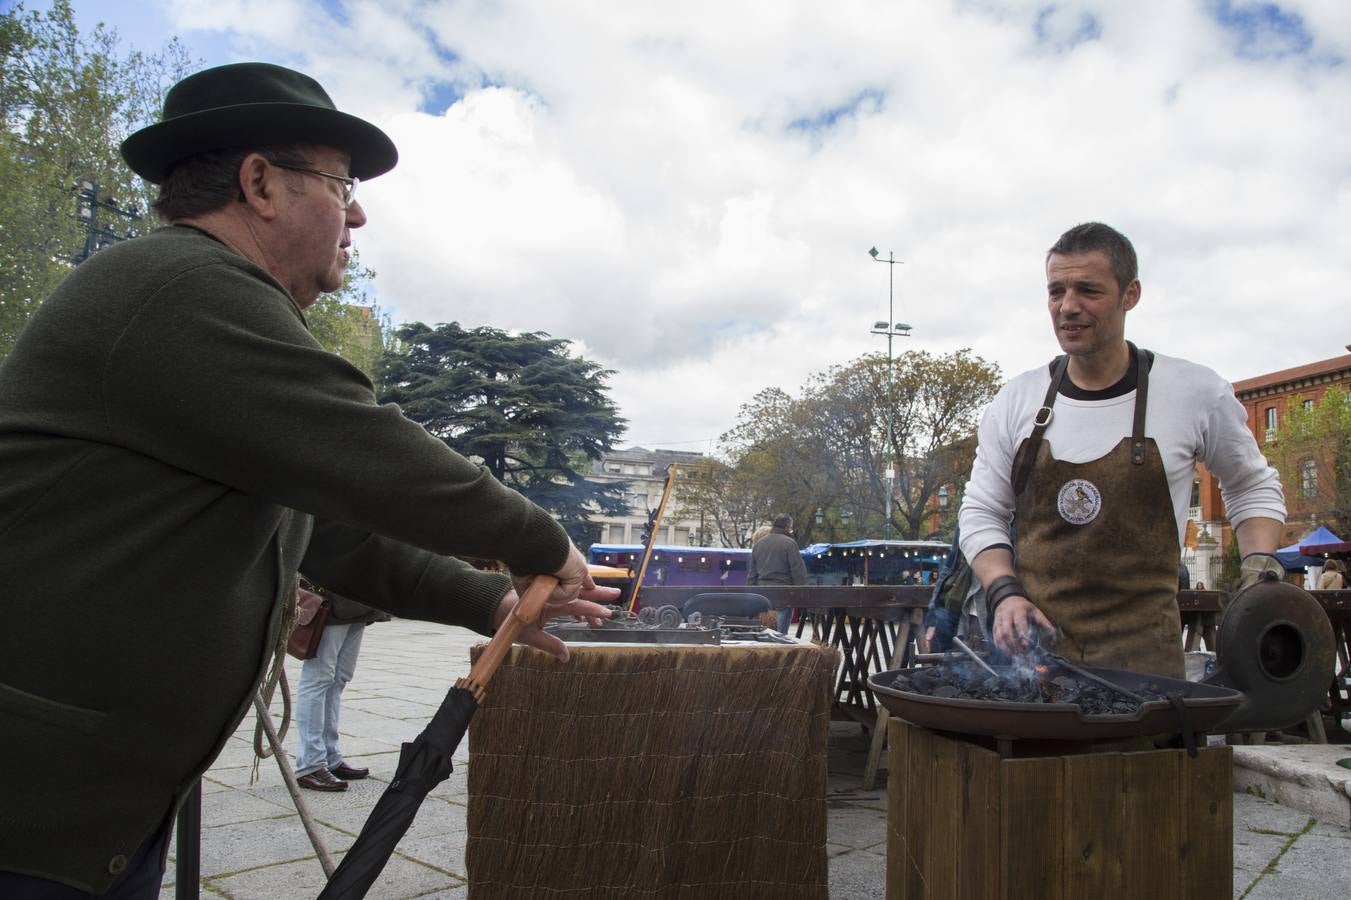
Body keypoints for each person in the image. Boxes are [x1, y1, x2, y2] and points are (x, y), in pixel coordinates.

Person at [0, 62, 615, 898]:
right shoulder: (180, 286)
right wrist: (542, 542)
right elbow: (369, 451)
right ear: (259, 183)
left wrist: (491, 602)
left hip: (82, 796)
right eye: (341, 184)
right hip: (31, 798)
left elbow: (331, 532)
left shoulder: (195, 302)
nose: (357, 213)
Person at [958, 222, 1286, 678]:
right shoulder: (1016, 401)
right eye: (1056, 291)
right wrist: (1003, 591)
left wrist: (1259, 569)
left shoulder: (1195, 392)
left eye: (1088, 290)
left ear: (1130, 294)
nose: (1068, 307)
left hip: (1148, 677)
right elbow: (981, 511)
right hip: (1033, 675)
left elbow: (1252, 486)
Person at [293, 587, 390, 791]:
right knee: (318, 679)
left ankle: (329, 756)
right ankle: (310, 764)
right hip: (331, 596)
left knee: (339, 679)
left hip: (361, 599)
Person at [747, 513, 809, 633]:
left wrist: (751, 594)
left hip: (763, 594)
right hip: (783, 593)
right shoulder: (789, 543)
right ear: (787, 527)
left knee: (763, 632)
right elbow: (797, 570)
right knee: (781, 634)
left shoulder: (759, 544)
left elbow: (752, 574)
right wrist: (802, 592)